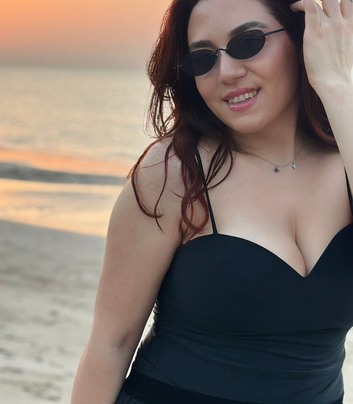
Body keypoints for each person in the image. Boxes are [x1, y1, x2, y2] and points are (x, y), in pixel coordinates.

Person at [71, 0, 353, 402]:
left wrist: (339, 87)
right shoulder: (173, 172)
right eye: (203, 59)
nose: (226, 72)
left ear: (304, 38)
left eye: (248, 43)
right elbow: (110, 345)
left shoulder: (345, 158)